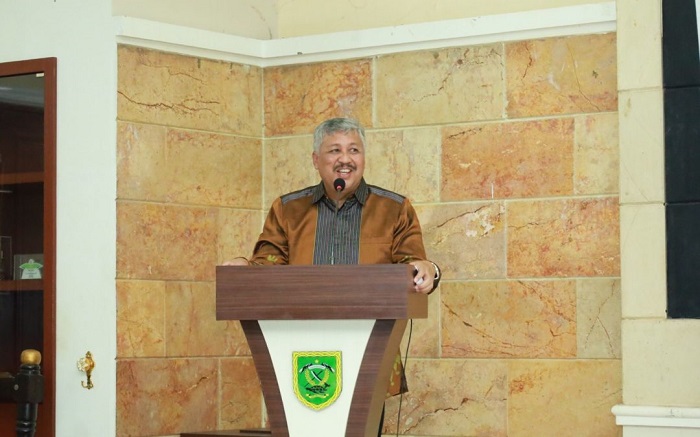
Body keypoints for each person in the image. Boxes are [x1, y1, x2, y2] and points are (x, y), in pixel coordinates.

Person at [225, 117, 440, 435]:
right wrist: (244, 268)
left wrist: (428, 270)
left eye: (354, 150)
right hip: (298, 356)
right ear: (316, 159)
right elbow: (266, 267)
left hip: (370, 359)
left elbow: (413, 265)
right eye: (334, 150)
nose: (345, 159)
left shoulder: (394, 209)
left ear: (363, 157)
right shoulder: (288, 210)